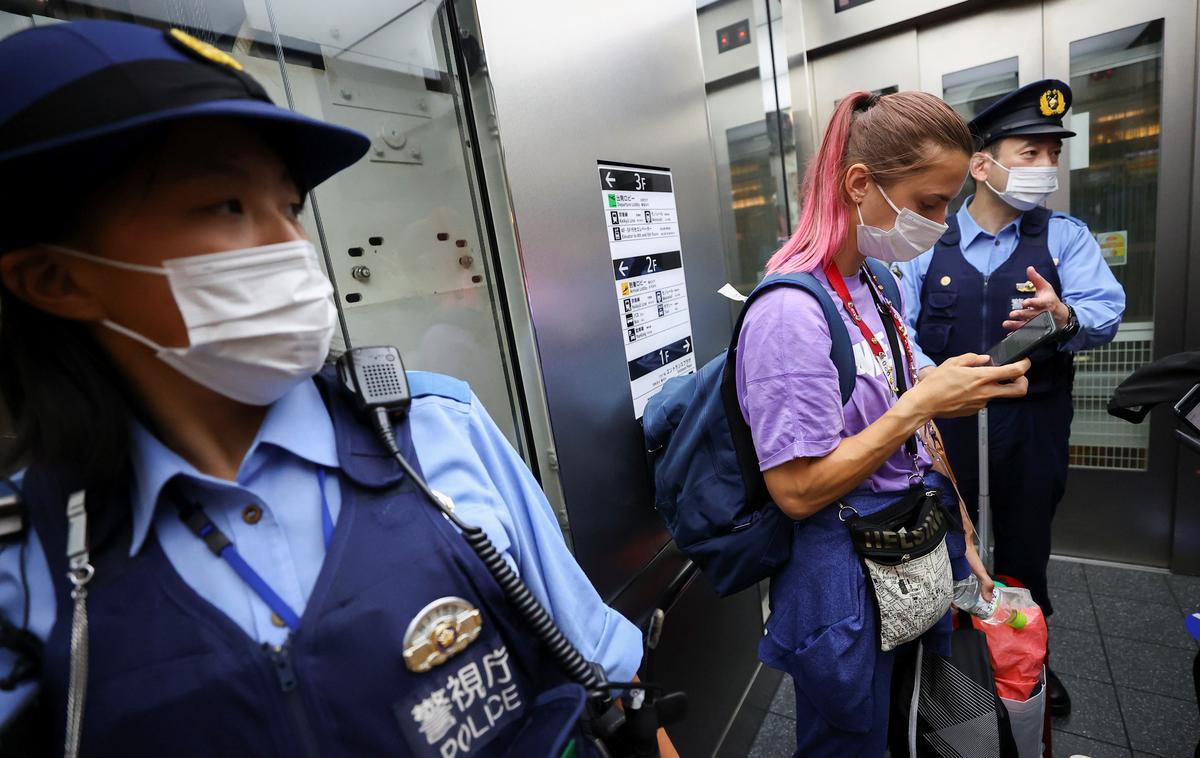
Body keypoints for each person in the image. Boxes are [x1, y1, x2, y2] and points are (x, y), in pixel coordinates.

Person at [0, 20, 672, 757]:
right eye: (225, 206)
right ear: (55, 279)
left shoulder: (434, 432)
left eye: (288, 207)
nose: (292, 249)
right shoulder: (27, 559)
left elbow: (613, 690)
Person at [735, 90, 1031, 755]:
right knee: (854, 738)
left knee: (916, 722)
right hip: (844, 576)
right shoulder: (790, 314)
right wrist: (922, 403)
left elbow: (918, 434)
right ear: (860, 184)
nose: (940, 222)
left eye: (948, 203)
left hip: (914, 544)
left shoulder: (881, 287)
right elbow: (798, 489)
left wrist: (965, 538)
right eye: (927, 203)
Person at [897, 79, 1126, 717]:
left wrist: (1065, 314)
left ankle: (1028, 667)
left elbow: (1106, 309)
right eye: (1030, 153)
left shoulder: (1064, 239)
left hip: (1033, 423)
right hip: (944, 427)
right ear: (982, 163)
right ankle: (951, 675)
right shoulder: (924, 246)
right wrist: (933, 384)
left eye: (1053, 154)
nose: (1045, 168)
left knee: (1026, 549)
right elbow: (898, 331)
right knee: (943, 546)